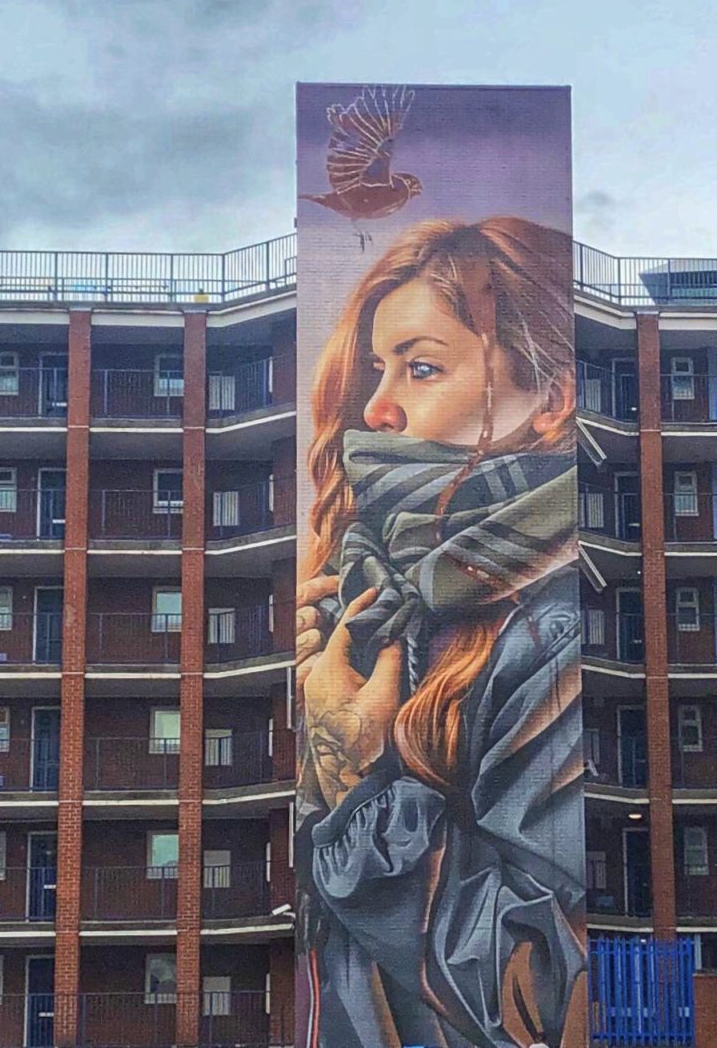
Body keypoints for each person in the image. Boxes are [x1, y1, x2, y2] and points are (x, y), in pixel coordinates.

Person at [294, 218, 586, 1048]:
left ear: (552, 400)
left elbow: (536, 992)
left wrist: (356, 777)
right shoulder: (374, 592)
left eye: (421, 367)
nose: (378, 406)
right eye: (378, 369)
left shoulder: (549, 631)